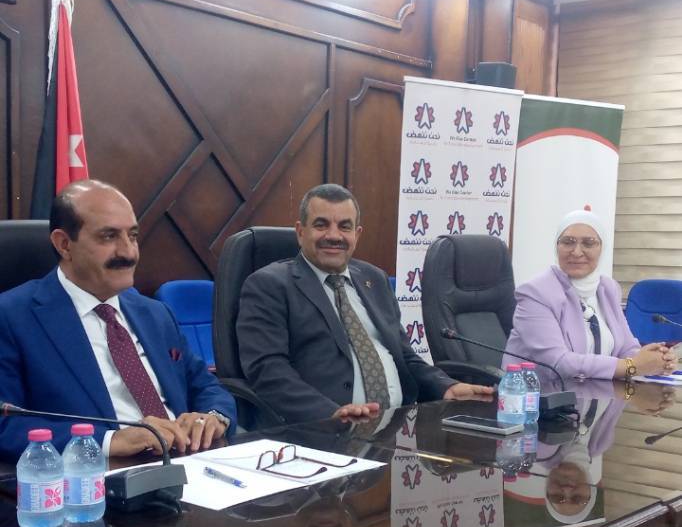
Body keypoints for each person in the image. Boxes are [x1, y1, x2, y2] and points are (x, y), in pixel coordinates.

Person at [0, 180, 237, 462]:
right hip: (99, 474)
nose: (128, 252)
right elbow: (5, 424)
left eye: (133, 236)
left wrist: (213, 417)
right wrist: (110, 440)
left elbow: (206, 386)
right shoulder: (13, 316)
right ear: (64, 244)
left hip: (191, 461)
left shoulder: (156, 314)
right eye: (109, 236)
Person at [236, 183, 494, 424]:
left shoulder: (375, 279)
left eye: (344, 226)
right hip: (321, 430)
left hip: (396, 425)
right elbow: (268, 371)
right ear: (300, 232)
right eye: (321, 225)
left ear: (357, 234)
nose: (334, 236)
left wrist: (446, 386)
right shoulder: (269, 285)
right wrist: (329, 413)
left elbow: (404, 356)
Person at [504, 206, 675, 380]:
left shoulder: (607, 288)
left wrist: (655, 359)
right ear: (557, 246)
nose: (577, 252)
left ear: (602, 248)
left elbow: (626, 347)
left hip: (597, 392)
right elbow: (558, 363)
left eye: (589, 243)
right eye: (568, 242)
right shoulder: (536, 293)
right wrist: (631, 366)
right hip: (540, 394)